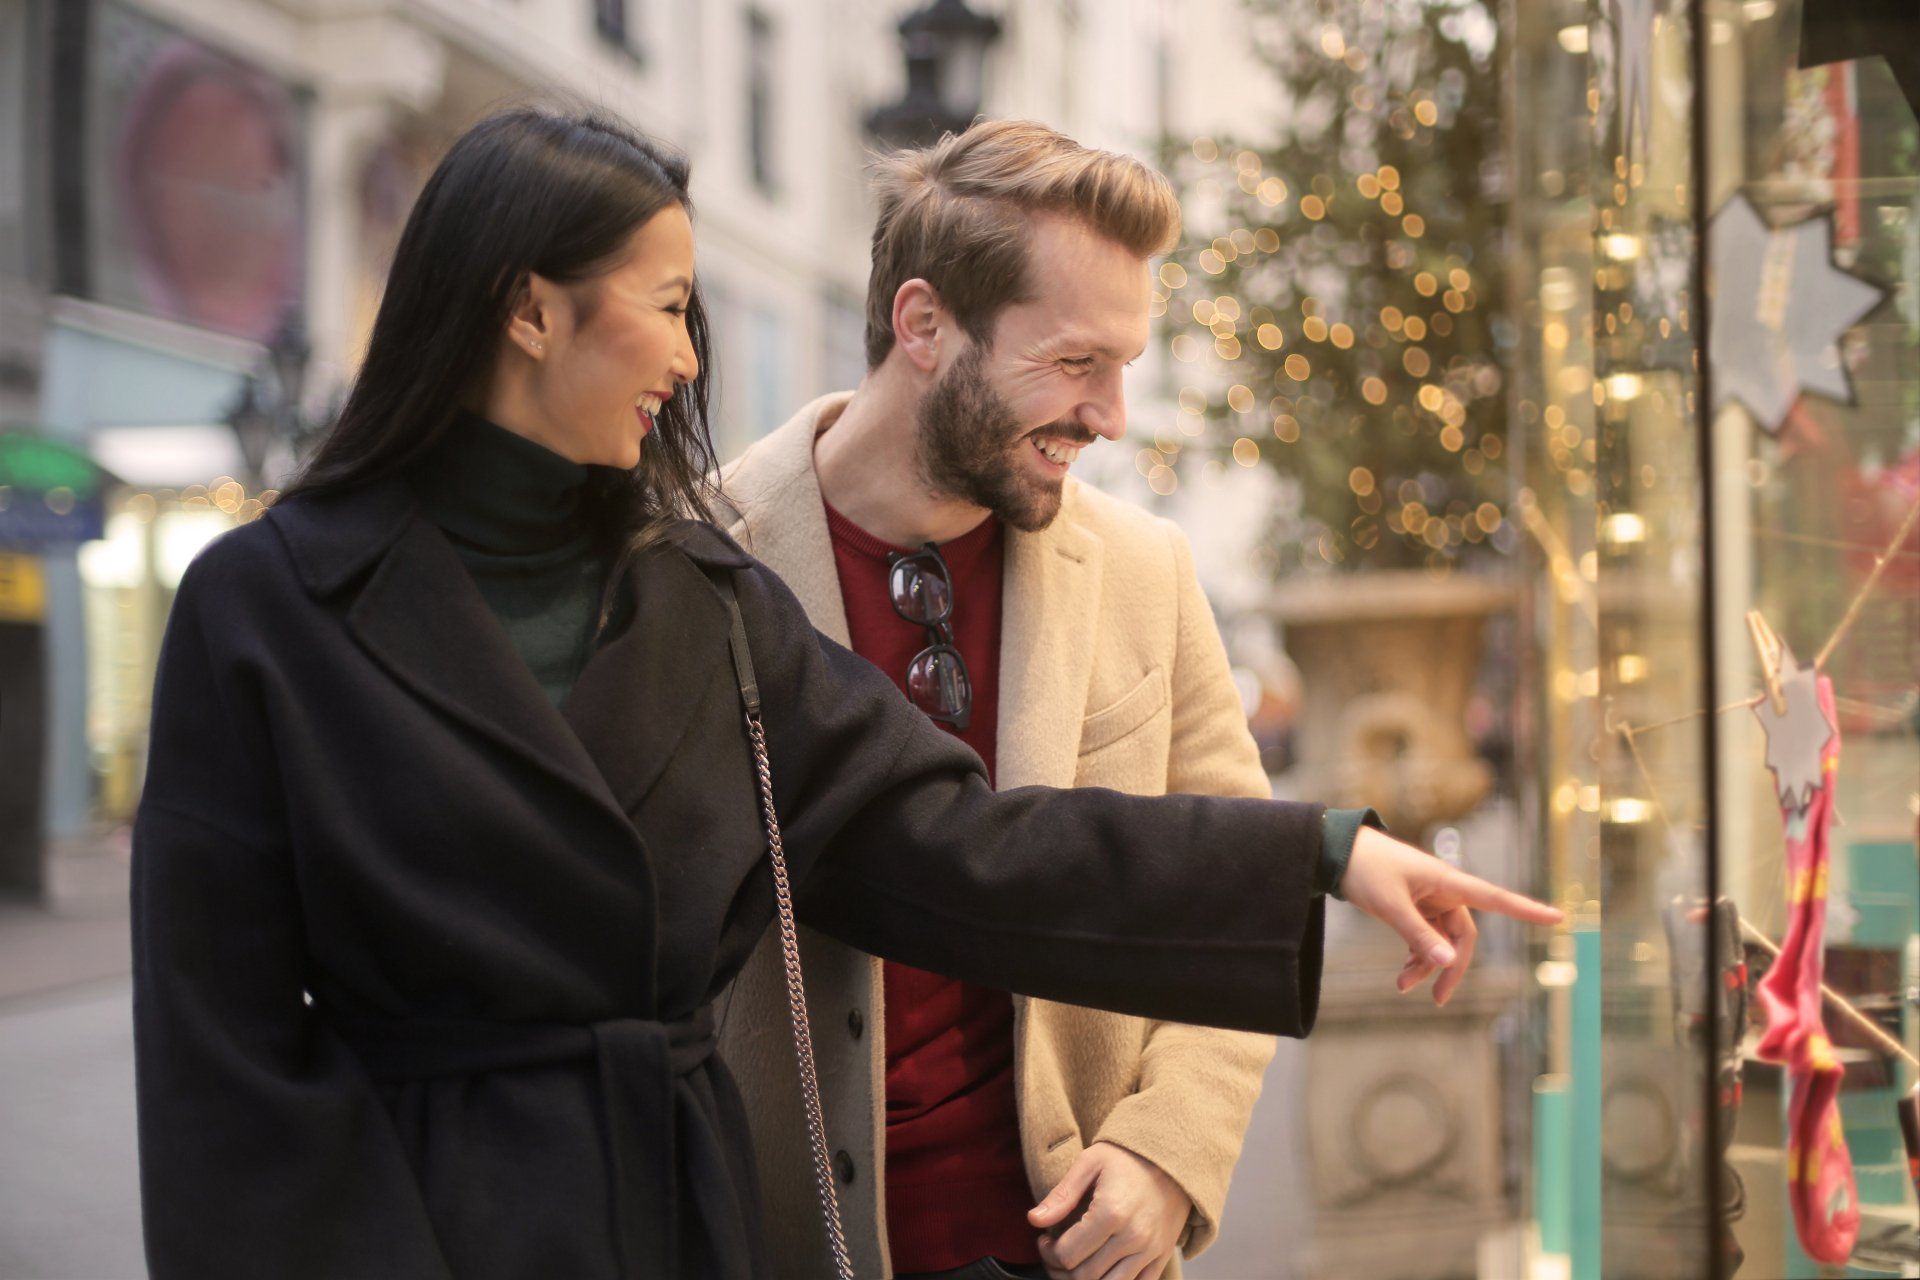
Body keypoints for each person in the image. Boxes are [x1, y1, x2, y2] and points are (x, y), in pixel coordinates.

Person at [130, 106, 1561, 1280]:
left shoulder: (690, 596)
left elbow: (965, 849)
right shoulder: (267, 608)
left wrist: (1319, 850)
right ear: (528, 312)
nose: (694, 358)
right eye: (672, 308)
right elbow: (223, 1067)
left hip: (684, 1230)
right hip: (428, 1230)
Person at [715, 120, 1396, 1280]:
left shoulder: (1146, 572)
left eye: (1124, 366)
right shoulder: (693, 556)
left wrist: (1166, 1151)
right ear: (924, 324)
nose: (1111, 414)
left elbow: (1214, 899)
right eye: (1078, 362)